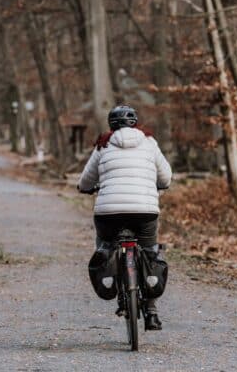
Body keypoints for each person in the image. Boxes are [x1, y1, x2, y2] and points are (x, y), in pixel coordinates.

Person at [77, 105, 172, 331]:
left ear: (111, 125)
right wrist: (159, 184)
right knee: (150, 252)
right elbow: (166, 177)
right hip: (145, 211)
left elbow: (86, 181)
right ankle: (152, 312)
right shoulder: (150, 143)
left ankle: (107, 265)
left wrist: (85, 188)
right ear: (135, 123)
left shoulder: (103, 145)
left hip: (109, 213)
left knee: (105, 244)